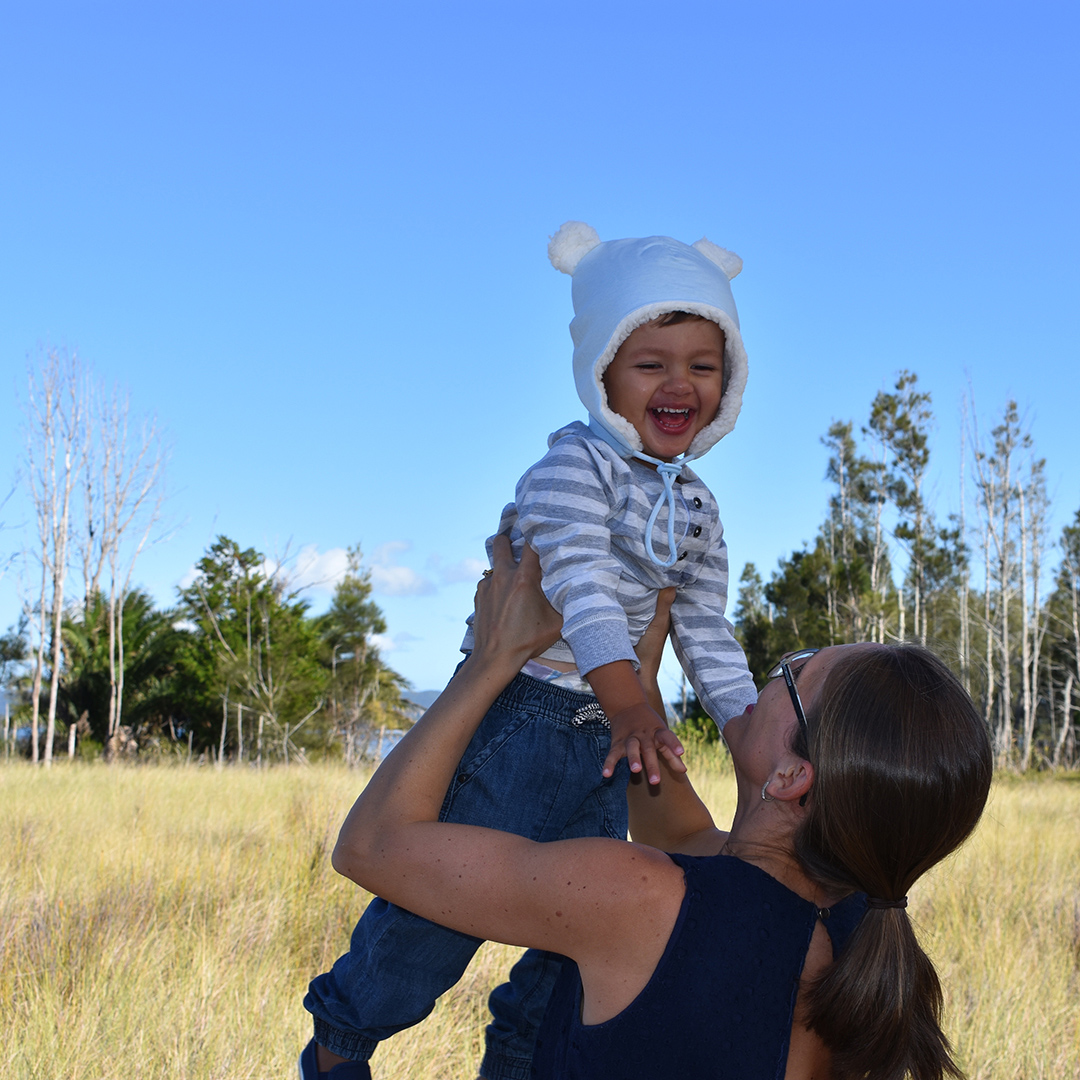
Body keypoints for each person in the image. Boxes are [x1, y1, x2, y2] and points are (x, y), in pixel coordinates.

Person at [302, 223, 759, 1079]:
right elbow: (579, 583)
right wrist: (631, 699)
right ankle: (343, 1041)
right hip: (530, 712)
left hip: (607, 737)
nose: (679, 382)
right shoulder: (570, 466)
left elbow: (706, 630)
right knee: (439, 914)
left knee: (574, 936)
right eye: (651, 361)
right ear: (603, 374)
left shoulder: (698, 507)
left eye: (703, 365)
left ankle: (520, 1059)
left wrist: (745, 736)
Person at [330, 539, 994, 1080]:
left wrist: (492, 657)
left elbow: (371, 846)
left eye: (793, 673)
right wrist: (639, 690)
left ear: (793, 775)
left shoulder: (640, 899)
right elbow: (686, 834)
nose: (764, 678)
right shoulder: (849, 923)